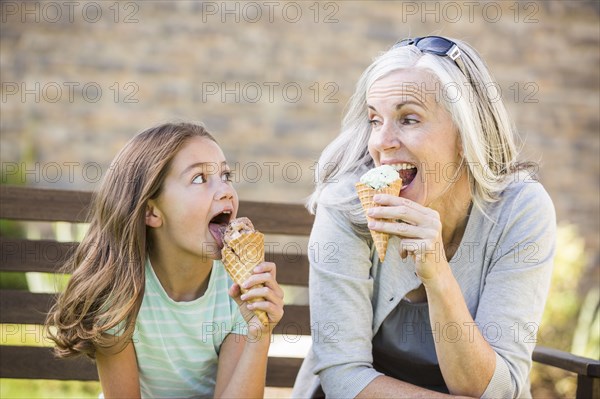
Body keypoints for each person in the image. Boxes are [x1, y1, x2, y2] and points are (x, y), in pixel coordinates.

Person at [292, 36, 555, 398]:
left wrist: (437, 274)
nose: (382, 142)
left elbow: (495, 390)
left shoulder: (520, 209)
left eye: (408, 119)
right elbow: (343, 377)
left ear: (467, 133)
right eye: (374, 119)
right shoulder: (348, 204)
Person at [47, 122, 284, 398]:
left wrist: (259, 333)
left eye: (225, 175)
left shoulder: (238, 290)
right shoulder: (121, 293)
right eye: (199, 179)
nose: (226, 191)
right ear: (151, 211)